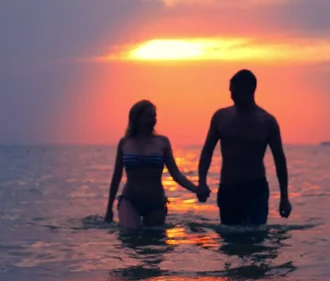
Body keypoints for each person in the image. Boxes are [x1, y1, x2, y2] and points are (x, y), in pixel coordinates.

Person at [196, 69, 292, 226]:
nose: (231, 95)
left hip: (255, 189)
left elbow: (280, 161)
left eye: (234, 91)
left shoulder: (267, 122)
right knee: (230, 240)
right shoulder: (221, 117)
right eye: (230, 91)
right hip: (228, 187)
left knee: (255, 238)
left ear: (249, 90)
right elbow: (207, 151)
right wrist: (202, 182)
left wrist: (284, 198)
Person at [104, 100, 199, 229]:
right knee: (130, 233)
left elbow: (176, 174)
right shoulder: (125, 142)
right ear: (137, 119)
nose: (153, 120)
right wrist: (109, 208)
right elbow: (116, 177)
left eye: (154, 116)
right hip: (130, 200)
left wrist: (196, 189)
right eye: (149, 116)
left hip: (156, 202)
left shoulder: (162, 142)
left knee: (154, 241)